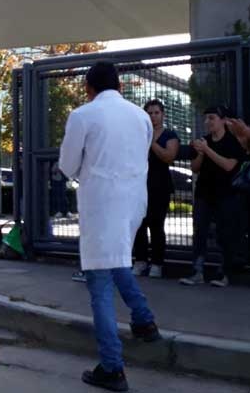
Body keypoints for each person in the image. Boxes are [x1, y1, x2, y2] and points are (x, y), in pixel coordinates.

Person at [59, 62, 160, 392]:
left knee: (100, 282)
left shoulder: (83, 116)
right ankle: (144, 321)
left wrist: (87, 172)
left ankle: (112, 368)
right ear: (119, 85)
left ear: (89, 87)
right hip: (133, 203)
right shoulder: (141, 117)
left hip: (102, 204)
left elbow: (67, 165)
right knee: (118, 262)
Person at [180, 106, 246, 287]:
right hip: (204, 193)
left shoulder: (232, 142)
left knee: (225, 233)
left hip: (226, 194)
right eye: (206, 118)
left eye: (212, 118)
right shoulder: (203, 141)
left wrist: (207, 150)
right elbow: (194, 168)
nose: (208, 122)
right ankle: (197, 271)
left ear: (223, 120)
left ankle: (224, 273)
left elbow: (229, 166)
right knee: (200, 231)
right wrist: (200, 152)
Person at [133, 100, 179, 278]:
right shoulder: (138, 134)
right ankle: (140, 261)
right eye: (150, 113)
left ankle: (157, 264)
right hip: (139, 185)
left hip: (160, 186)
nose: (153, 116)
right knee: (139, 224)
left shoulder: (169, 134)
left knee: (156, 225)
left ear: (162, 114)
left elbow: (169, 157)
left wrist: (151, 141)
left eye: (156, 113)